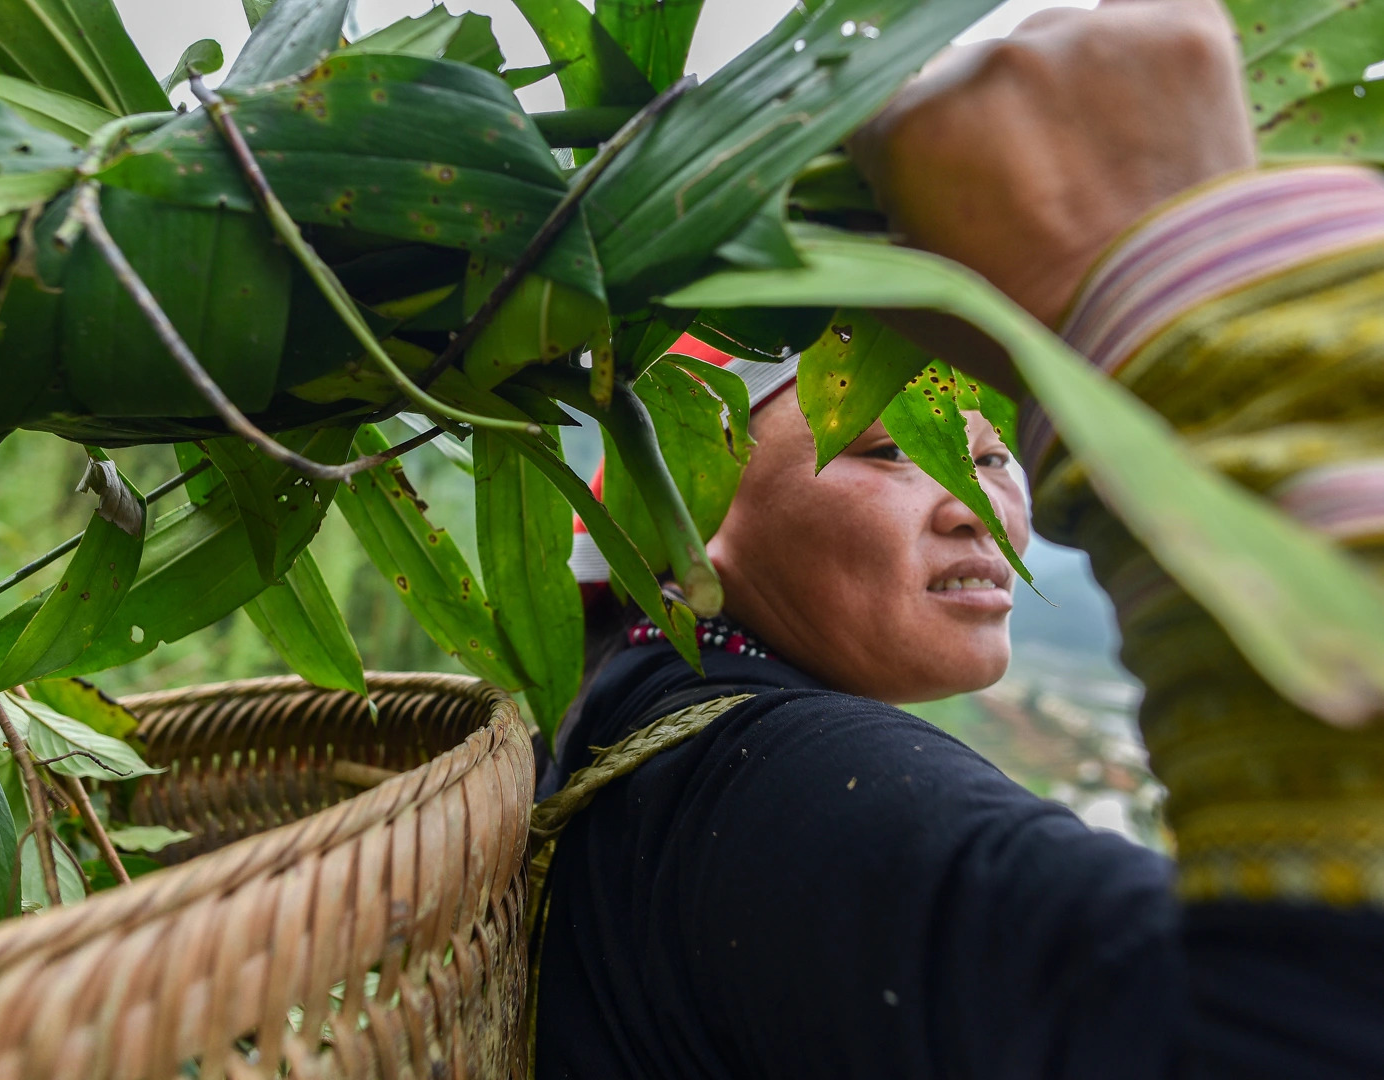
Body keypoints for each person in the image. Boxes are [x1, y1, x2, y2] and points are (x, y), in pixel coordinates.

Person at [532, 1, 1384, 1077]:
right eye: (893, 452)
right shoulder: (799, 789)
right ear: (684, 511)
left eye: (993, 457)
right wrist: (1220, 344)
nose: (978, 506)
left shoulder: (637, 722)